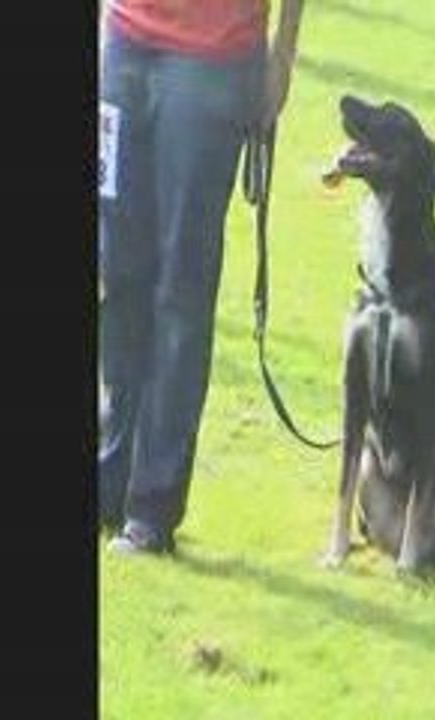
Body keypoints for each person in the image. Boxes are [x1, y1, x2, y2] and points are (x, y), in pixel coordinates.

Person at [98, 0, 305, 554]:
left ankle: (152, 508)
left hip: (212, 60)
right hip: (123, 41)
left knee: (179, 289)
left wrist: (282, 52)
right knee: (118, 273)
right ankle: (109, 480)